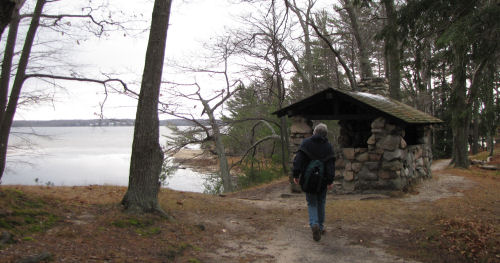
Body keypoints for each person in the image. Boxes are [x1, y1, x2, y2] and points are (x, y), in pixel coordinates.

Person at [293, 123, 335, 242]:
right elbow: (330, 165)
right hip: (322, 181)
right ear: (325, 134)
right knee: (321, 202)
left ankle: (314, 224)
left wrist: (296, 174)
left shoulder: (306, 143)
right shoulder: (328, 146)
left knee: (312, 203)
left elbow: (298, 160)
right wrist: (330, 180)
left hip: (308, 179)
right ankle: (320, 227)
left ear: (314, 132)